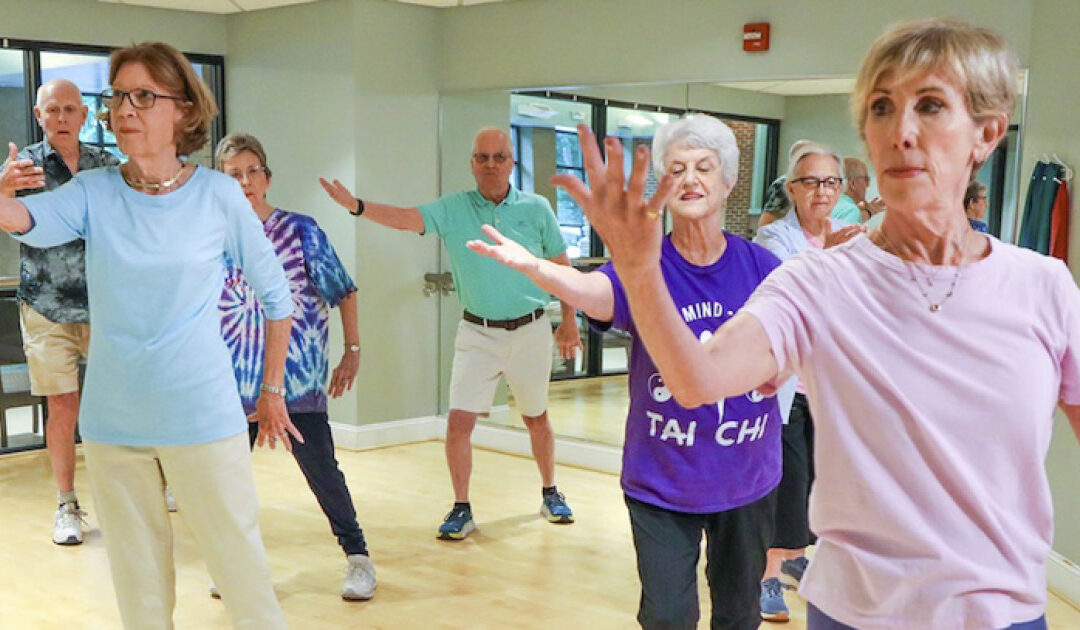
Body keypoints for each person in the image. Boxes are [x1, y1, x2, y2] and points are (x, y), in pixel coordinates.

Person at [552, 18, 1080, 630]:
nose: (902, 132)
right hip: (853, 612)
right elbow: (697, 382)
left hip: (1003, 614)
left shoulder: (1043, 287)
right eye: (881, 109)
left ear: (986, 133)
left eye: (930, 106)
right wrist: (641, 271)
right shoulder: (817, 281)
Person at [0, 42, 298, 629]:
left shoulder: (217, 195)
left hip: (203, 420)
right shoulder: (95, 192)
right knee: (139, 597)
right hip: (115, 426)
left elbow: (277, 298)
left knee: (245, 586)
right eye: (117, 97)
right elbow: (26, 223)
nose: (125, 110)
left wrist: (272, 390)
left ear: (183, 111)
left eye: (144, 97)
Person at [469, 113, 782, 629]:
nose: (691, 179)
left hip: (744, 481)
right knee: (667, 618)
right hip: (661, 482)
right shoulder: (644, 265)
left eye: (705, 167)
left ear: (727, 183)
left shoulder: (761, 269)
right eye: (677, 169)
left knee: (738, 615)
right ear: (661, 187)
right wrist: (537, 268)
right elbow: (596, 293)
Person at [320, 126, 578, 540]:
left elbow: (562, 267)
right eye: (482, 158)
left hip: (530, 330)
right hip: (477, 333)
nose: (490, 165)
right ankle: (462, 507)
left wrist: (569, 320)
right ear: (473, 164)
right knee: (459, 423)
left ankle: (550, 491)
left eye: (498, 157)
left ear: (511, 162)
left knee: (537, 418)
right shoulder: (454, 208)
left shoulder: (537, 209)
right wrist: (357, 206)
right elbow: (406, 219)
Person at [215, 132, 375, 601]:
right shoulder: (212, 236)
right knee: (224, 477)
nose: (245, 182)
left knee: (322, 470)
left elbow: (343, 290)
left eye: (252, 171)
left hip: (296, 379)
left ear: (266, 177)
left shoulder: (300, 229)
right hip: (232, 382)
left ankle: (358, 557)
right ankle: (233, 564)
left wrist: (353, 349)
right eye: (233, 174)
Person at [0, 79, 120, 546]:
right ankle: (67, 504)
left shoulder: (106, 166)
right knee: (63, 404)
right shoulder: (21, 167)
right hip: (46, 305)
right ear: (38, 114)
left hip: (104, 304)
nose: (63, 117)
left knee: (118, 402)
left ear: (85, 115)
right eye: (54, 110)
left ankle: (142, 488)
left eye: (72, 109)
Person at [751, 140, 865, 622]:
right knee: (787, 485)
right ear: (793, 189)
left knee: (824, 485)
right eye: (811, 182)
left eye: (830, 182)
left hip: (831, 388)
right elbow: (784, 299)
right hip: (787, 391)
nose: (821, 192)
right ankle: (767, 578)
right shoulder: (775, 240)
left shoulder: (851, 233)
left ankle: (797, 555)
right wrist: (827, 261)